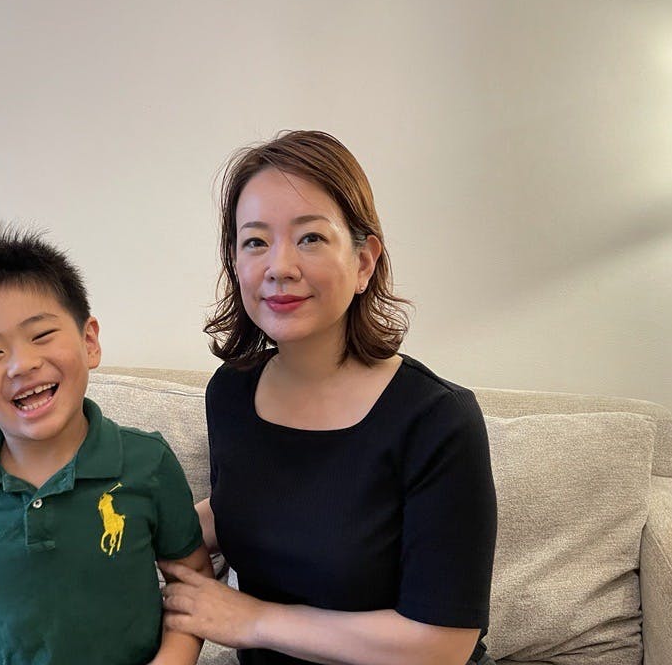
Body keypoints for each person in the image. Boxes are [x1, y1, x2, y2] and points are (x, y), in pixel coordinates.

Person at [161, 131, 497, 665]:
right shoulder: (230, 392)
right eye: (255, 242)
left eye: (311, 238)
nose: (280, 266)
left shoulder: (438, 420)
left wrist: (253, 619)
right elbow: (241, 508)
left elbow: (444, 644)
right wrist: (133, 531)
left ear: (364, 261)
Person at [0, 226, 213, 665]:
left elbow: (191, 578)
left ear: (89, 341)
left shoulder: (148, 462)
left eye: (41, 335)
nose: (23, 364)